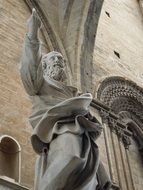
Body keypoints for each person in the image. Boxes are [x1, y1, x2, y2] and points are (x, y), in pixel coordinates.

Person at [20, 9, 111, 190]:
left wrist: (88, 118)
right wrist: (32, 34)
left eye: (61, 60)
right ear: (44, 66)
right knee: (71, 156)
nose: (59, 63)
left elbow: (82, 111)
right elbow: (29, 70)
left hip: (82, 132)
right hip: (59, 129)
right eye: (54, 59)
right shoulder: (39, 83)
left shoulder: (71, 91)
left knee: (100, 178)